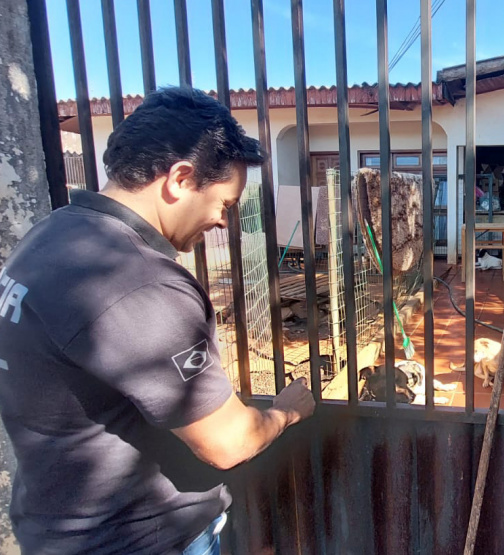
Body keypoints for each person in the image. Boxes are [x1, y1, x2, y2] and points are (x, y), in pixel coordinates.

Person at [0, 87, 315, 554]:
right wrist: (287, 410)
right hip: (137, 538)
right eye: (224, 204)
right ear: (181, 178)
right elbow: (229, 442)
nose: (222, 223)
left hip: (57, 525)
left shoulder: (49, 237)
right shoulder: (136, 281)